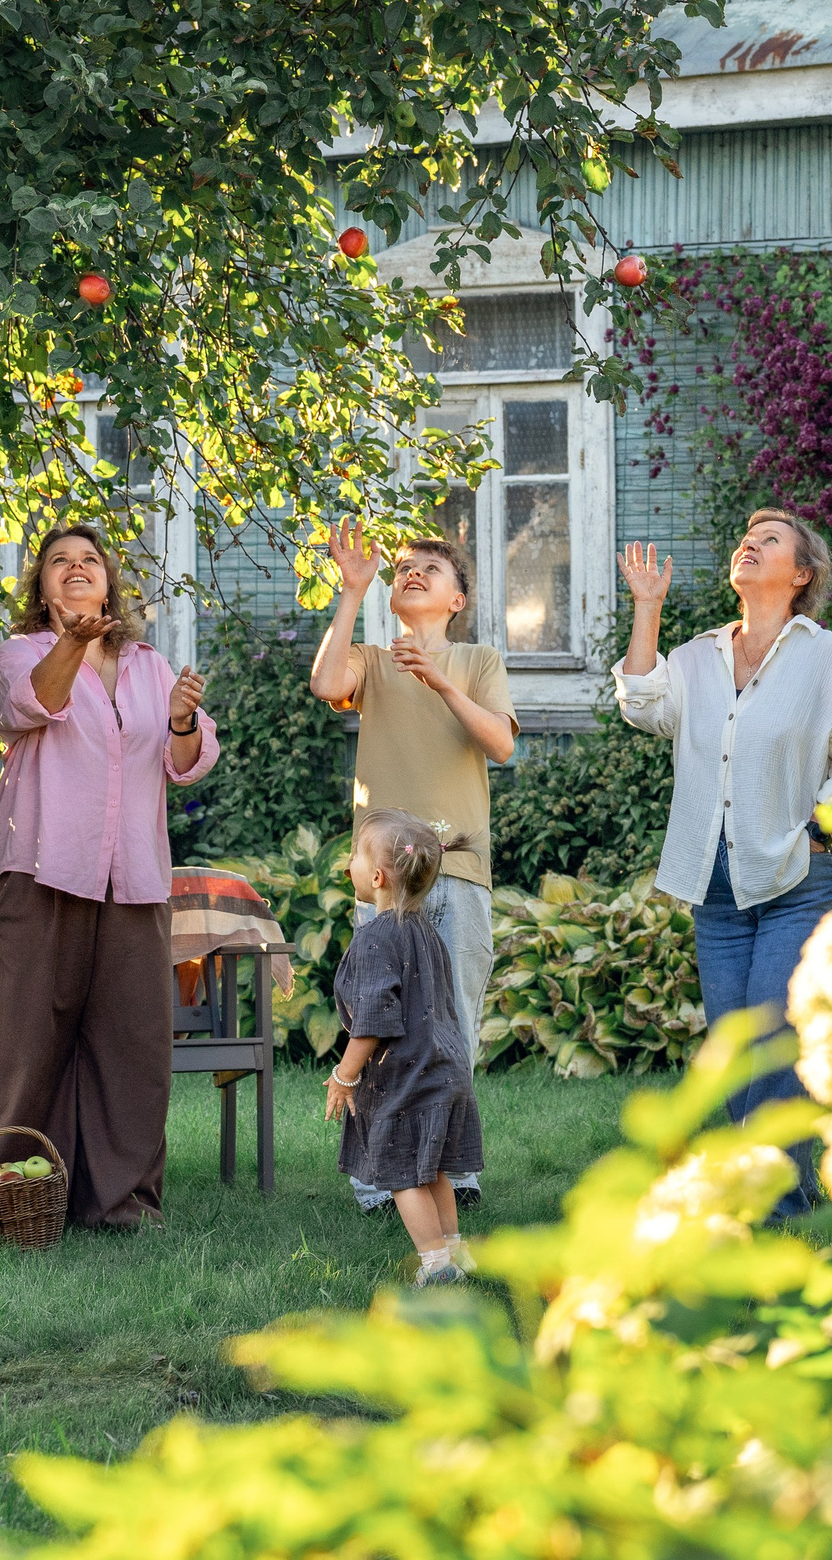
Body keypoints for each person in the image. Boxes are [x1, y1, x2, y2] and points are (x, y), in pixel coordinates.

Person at [0, 524, 216, 1229]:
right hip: (42, 867)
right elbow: (30, 704)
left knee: (131, 1048)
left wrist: (180, 719)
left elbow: (187, 761)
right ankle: (7, 1202)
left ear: (109, 580)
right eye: (59, 562)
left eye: (89, 561)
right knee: (24, 1042)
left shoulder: (146, 663)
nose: (76, 569)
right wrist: (73, 642)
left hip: (133, 877)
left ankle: (123, 1205)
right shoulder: (21, 652)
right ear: (41, 585)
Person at [612, 509, 832, 1148]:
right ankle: (753, 1184)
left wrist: (821, 831)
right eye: (746, 539)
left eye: (769, 540)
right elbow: (644, 707)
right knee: (732, 1041)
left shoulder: (829, 660)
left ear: (801, 574)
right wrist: (647, 607)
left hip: (798, 873)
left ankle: (784, 1199)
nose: (749, 546)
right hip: (716, 878)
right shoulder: (698, 657)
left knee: (772, 1034)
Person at [308, 521, 513, 1216]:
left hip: (459, 870)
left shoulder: (479, 661)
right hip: (385, 884)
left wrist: (444, 685)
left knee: (451, 1022)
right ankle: (381, 1174)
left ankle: (451, 1169)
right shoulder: (371, 656)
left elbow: (502, 744)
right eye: (403, 567)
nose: (414, 571)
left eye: (432, 566)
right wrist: (352, 588)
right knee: (380, 1017)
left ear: (458, 599)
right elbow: (326, 681)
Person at [324, 809, 485, 1287]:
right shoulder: (424, 931)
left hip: (408, 1076)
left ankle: (435, 1266)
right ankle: (455, 1250)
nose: (348, 862)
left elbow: (375, 1018)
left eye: (354, 854)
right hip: (443, 1066)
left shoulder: (375, 937)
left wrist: (345, 1074)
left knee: (402, 1174)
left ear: (376, 876)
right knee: (430, 1164)